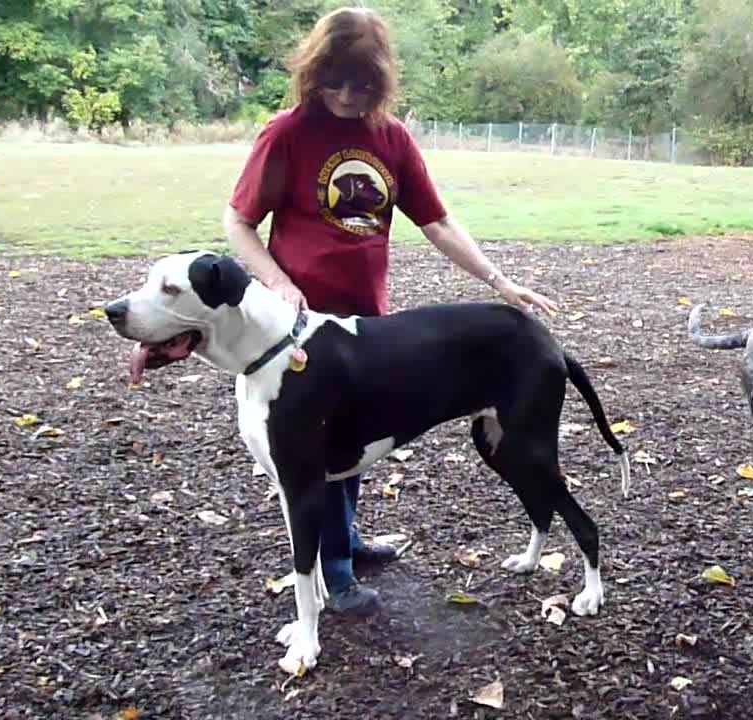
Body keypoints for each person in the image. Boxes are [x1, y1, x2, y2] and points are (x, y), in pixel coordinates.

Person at [222, 7, 559, 616]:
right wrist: (276, 282)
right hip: (300, 329)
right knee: (309, 445)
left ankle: (344, 541)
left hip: (365, 322)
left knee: (345, 438)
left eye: (362, 84)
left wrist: (499, 281)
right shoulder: (287, 133)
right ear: (312, 73)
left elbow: (437, 222)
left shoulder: (391, 139)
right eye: (334, 81)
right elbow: (238, 222)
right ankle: (337, 576)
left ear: (381, 81)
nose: (347, 97)